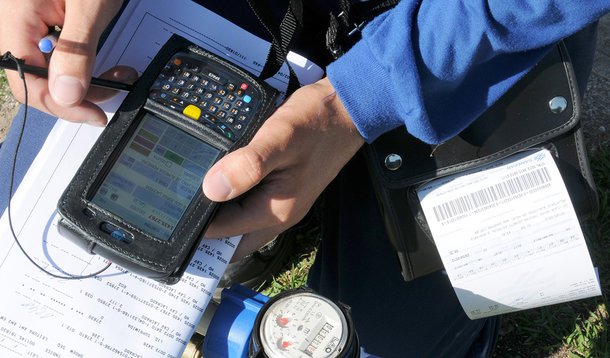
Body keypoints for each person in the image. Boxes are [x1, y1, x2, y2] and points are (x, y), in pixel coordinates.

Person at [1, 0, 609, 356]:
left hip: (459, 35)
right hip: (233, 20)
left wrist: (354, 101)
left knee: (393, 345)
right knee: (203, 224)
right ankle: (271, 229)